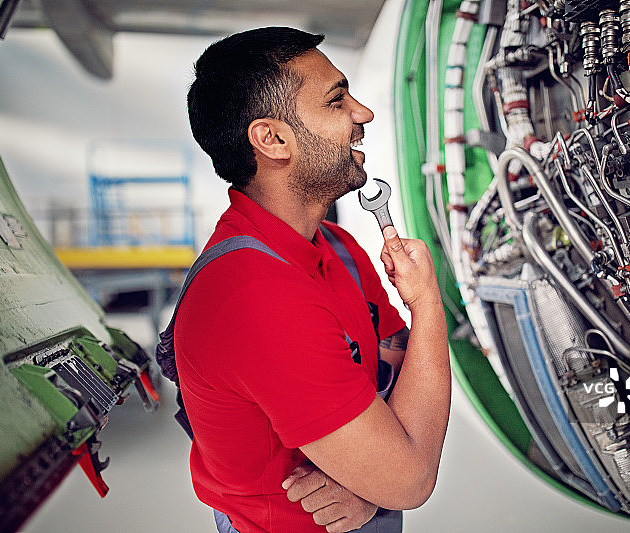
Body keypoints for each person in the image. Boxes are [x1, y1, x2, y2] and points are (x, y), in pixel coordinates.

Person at [176, 27, 450, 532]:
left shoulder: (336, 248)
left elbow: (397, 351)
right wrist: (429, 303)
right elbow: (410, 480)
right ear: (273, 139)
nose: (362, 114)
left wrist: (365, 473)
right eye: (336, 100)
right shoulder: (256, 298)